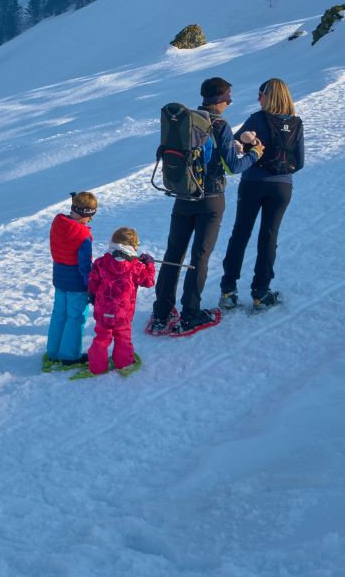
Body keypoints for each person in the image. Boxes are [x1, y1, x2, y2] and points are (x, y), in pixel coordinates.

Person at [148, 77, 264, 336]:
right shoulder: (220, 124)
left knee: (173, 254)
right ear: (221, 101)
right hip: (211, 199)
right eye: (229, 99)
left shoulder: (187, 120)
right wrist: (255, 154)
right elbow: (234, 166)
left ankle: (161, 313)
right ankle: (191, 314)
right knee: (199, 257)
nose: (229, 103)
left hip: (183, 195)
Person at [218, 78, 306, 312]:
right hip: (282, 188)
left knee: (241, 233)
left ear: (270, 96)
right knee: (269, 237)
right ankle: (261, 292)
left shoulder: (258, 119)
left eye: (261, 94)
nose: (258, 99)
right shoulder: (296, 123)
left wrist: (252, 151)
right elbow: (300, 162)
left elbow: (234, 144)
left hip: (253, 182)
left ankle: (228, 290)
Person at [81, 227, 156, 376]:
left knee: (101, 338)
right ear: (133, 246)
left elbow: (93, 281)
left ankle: (97, 366)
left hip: (103, 311)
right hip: (123, 313)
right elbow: (148, 281)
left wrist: (92, 294)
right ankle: (124, 362)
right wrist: (150, 265)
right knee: (123, 338)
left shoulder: (101, 262)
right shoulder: (136, 266)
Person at [43, 191, 98, 369]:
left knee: (59, 314)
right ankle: (69, 355)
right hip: (76, 283)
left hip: (59, 277)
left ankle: (53, 351)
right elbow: (84, 266)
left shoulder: (58, 223)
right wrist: (90, 286)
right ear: (87, 215)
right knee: (75, 317)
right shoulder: (84, 237)